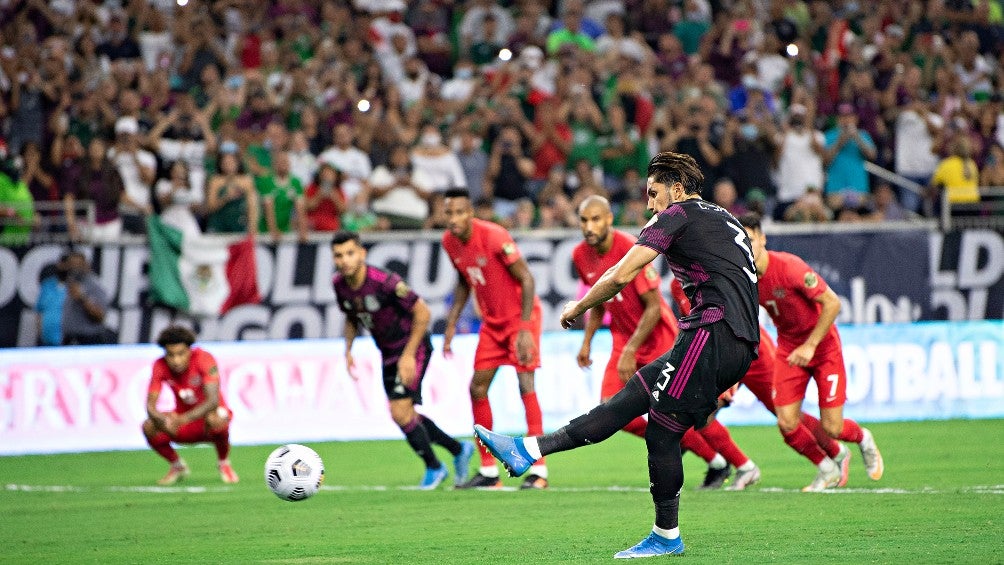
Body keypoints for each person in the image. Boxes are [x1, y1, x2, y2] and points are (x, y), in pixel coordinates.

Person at [476, 152, 760, 557]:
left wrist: (576, 308)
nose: (649, 204)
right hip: (730, 339)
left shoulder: (676, 216)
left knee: (659, 427)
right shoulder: (723, 216)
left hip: (712, 336)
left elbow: (622, 274)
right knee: (633, 402)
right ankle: (529, 450)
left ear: (677, 190)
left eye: (654, 193)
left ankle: (666, 535)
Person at [573, 195, 760, 491]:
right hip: (623, 339)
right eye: (583, 220)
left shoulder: (630, 247)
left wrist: (632, 350)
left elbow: (653, 307)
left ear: (609, 218)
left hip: (657, 337)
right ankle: (715, 460)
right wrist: (587, 341)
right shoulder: (579, 255)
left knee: (685, 409)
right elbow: (601, 299)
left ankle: (742, 464)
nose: (589, 226)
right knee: (612, 409)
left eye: (596, 219)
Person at [738, 212, 883, 491]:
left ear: (763, 239)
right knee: (786, 422)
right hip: (790, 349)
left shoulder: (790, 267)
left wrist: (811, 345)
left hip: (823, 346)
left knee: (833, 427)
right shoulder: (747, 281)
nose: (746, 247)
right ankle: (826, 468)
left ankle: (863, 438)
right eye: (741, 242)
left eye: (751, 240)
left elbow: (832, 303)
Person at [332, 231, 475, 490]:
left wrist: (408, 355)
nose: (344, 260)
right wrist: (349, 349)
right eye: (338, 255)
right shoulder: (339, 284)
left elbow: (423, 311)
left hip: (413, 346)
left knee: (399, 412)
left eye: (350, 253)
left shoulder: (384, 282)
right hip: (387, 352)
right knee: (406, 414)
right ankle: (458, 449)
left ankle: (434, 467)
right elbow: (352, 315)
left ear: (362, 254)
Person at [441, 188, 549, 489]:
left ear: (470, 213)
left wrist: (526, 328)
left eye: (460, 212)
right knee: (477, 387)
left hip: (520, 319)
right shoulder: (449, 242)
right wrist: (451, 323)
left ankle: (539, 470)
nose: (454, 219)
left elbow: (527, 278)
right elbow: (465, 280)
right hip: (492, 324)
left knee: (525, 384)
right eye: (448, 213)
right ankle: (489, 472)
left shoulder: (494, 236)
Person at [142, 325, 239, 485]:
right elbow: (150, 405)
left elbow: (213, 400)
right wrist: (159, 418)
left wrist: (181, 419)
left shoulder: (204, 359)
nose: (176, 360)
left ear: (190, 350)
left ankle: (223, 463)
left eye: (181, 354)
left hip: (207, 422)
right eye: (170, 355)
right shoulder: (159, 365)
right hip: (184, 424)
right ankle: (177, 465)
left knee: (217, 418)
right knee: (149, 426)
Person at [61, 251, 116, 345]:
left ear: (85, 265)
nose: (74, 268)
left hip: (89, 338)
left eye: (77, 265)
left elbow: (100, 316)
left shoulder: (94, 285)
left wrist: (82, 298)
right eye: (71, 265)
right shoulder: (69, 283)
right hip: (69, 337)